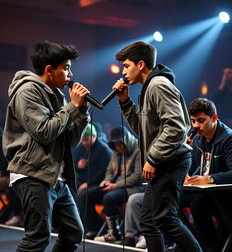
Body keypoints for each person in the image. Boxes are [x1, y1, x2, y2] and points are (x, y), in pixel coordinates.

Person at [113, 41, 202, 252]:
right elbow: (142, 130)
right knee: (150, 222)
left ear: (141, 64)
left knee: (165, 219)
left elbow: (176, 127)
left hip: (170, 160)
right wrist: (125, 102)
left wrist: (152, 159)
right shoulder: (148, 88)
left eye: (126, 65)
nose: (124, 72)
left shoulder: (158, 85)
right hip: (164, 160)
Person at [2, 41, 90, 252]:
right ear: (50, 70)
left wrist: (82, 113)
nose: (70, 74)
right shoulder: (26, 91)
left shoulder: (57, 95)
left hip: (55, 175)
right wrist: (71, 107)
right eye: (66, 68)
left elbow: (68, 141)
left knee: (72, 233)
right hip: (32, 173)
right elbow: (43, 131)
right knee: (37, 238)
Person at [181, 98, 232, 252]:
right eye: (193, 121)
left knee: (198, 204)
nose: (196, 126)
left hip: (225, 194)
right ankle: (188, 242)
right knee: (169, 198)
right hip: (207, 192)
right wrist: (187, 175)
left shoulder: (228, 138)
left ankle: (210, 246)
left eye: (201, 121)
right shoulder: (197, 139)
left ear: (214, 118)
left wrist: (210, 178)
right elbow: (194, 167)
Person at [82, 126, 144, 242]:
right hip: (115, 185)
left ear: (126, 140)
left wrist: (115, 185)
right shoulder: (116, 150)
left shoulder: (138, 149)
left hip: (132, 187)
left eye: (120, 144)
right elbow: (110, 170)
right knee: (86, 195)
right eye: (116, 145)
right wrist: (107, 181)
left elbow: (137, 177)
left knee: (109, 197)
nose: (118, 147)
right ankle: (92, 229)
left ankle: (115, 232)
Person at [73, 123, 112, 227]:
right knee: (67, 190)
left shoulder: (104, 150)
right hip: (83, 182)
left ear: (94, 136)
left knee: (83, 195)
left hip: (99, 183)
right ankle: (73, 224)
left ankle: (90, 227)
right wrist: (78, 165)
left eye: (86, 139)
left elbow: (105, 172)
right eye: (82, 140)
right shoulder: (81, 148)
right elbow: (73, 164)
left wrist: (87, 183)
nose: (84, 142)